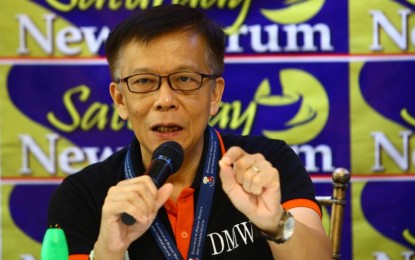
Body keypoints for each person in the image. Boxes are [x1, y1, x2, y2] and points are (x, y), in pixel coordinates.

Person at [48, 4, 331, 260]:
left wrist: (274, 222)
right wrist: (110, 251)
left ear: (215, 95)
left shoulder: (266, 164)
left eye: (185, 79)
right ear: (120, 100)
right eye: (144, 81)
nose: (165, 100)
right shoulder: (82, 195)